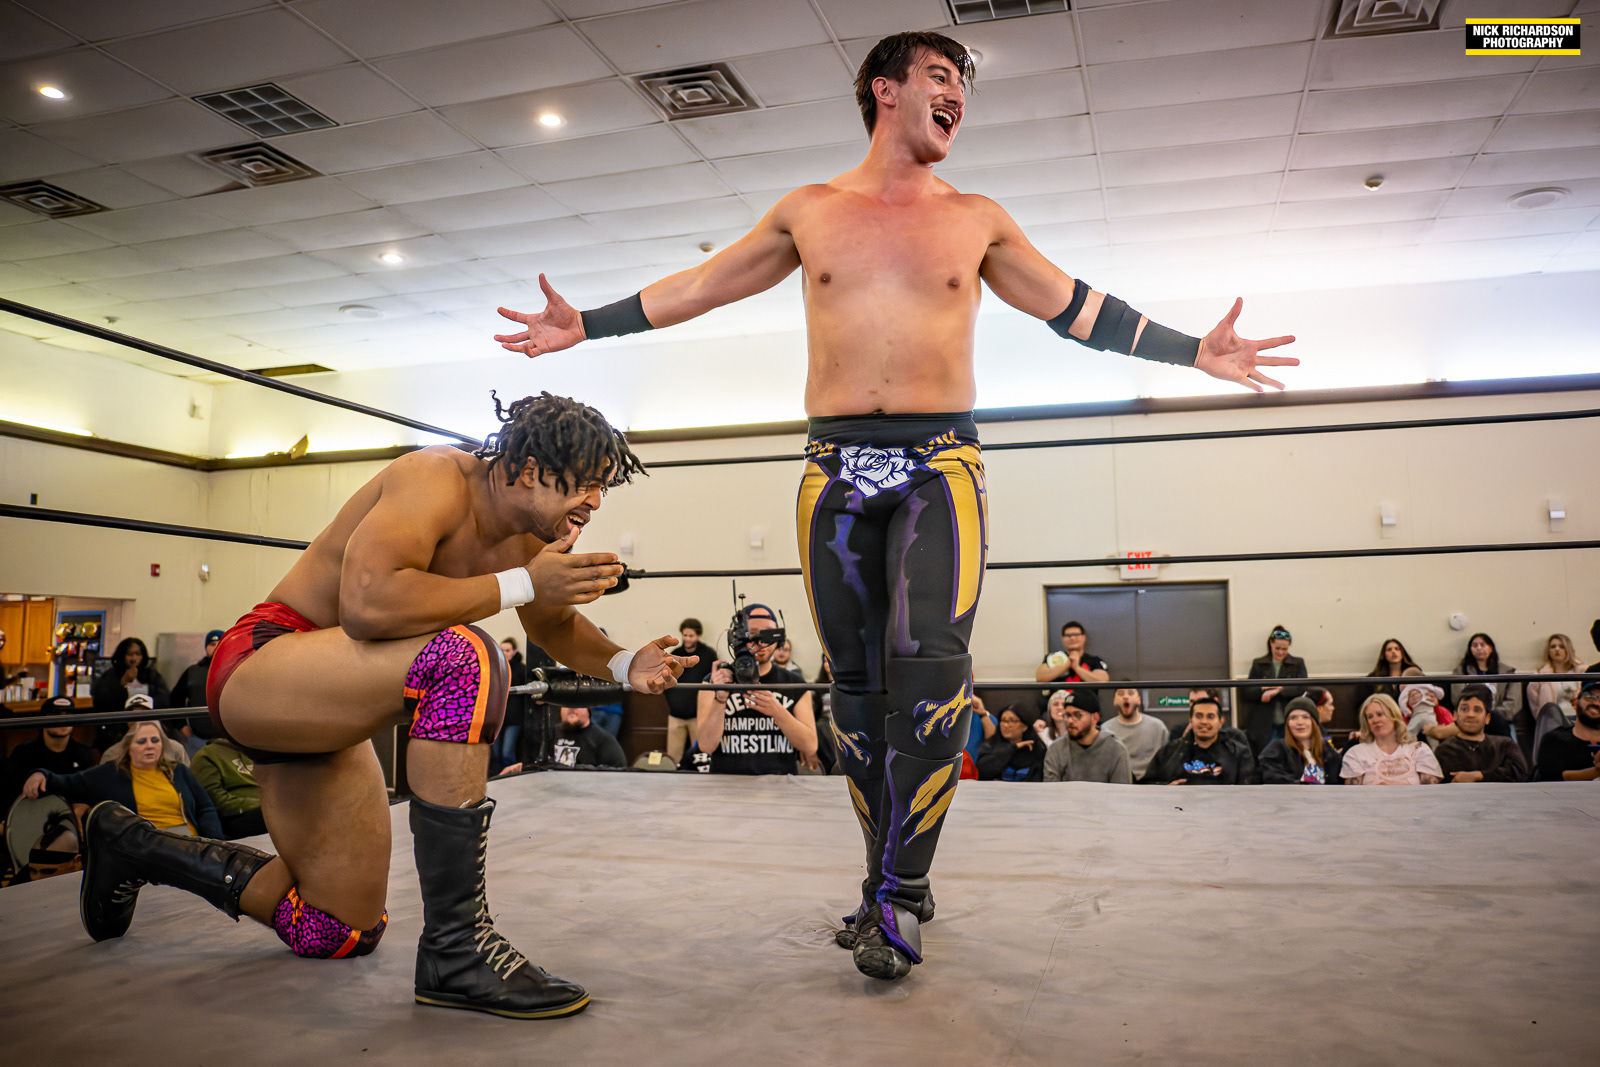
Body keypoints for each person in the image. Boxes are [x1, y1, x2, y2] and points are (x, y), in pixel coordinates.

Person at [495, 30, 1295, 981]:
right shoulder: (810, 210)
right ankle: (885, 874)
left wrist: (1191, 350)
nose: (958, 96)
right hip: (832, 466)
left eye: (963, 85)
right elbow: (704, 286)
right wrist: (587, 324)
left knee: (930, 675)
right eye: (941, 76)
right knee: (858, 692)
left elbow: (1078, 308)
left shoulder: (977, 219)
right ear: (886, 89)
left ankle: (902, 892)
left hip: (938, 464)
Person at [67, 393, 691, 1021]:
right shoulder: (435, 477)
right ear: (531, 470)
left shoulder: (532, 536)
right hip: (266, 664)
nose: (596, 501)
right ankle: (457, 948)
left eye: (602, 486)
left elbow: (551, 622)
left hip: (330, 709)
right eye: (585, 483)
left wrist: (623, 663)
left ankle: (135, 846)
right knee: (465, 657)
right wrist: (524, 583)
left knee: (336, 929)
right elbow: (367, 608)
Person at [24, 721, 223, 839]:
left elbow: (205, 807)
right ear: (129, 747)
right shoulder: (110, 774)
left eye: (155, 740)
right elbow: (68, 783)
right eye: (141, 741)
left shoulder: (178, 771)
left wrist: (214, 843)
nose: (150, 746)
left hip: (189, 841)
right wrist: (42, 774)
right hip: (149, 844)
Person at [697, 604, 816, 775]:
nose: (761, 643)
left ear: (779, 639)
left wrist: (777, 711)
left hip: (780, 782)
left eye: (767, 634)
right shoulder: (713, 682)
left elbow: (810, 746)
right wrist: (720, 698)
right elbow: (706, 746)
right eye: (752, 634)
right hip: (727, 782)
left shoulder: (795, 683)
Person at [1, 696, 96, 810]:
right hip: (33, 814)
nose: (63, 720)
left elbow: (90, 793)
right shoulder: (24, 753)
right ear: (43, 719)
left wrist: (83, 806)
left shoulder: (84, 754)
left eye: (68, 714)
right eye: (55, 714)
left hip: (70, 816)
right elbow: (11, 796)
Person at [1141, 697, 1253, 785]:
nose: (1203, 721)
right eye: (1198, 716)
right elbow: (1147, 785)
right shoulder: (1169, 752)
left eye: (1210, 717)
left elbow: (1248, 787)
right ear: (1191, 720)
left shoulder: (1237, 752)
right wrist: (1166, 788)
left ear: (1220, 722)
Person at [1340, 695, 1443, 785]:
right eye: (1370, 717)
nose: (1375, 720)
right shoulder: (1356, 754)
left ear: (1394, 715)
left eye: (1380, 714)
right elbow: (1353, 796)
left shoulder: (1419, 750)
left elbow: (1430, 793)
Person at [1435, 685, 1528, 783]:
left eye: (1477, 710)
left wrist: (1479, 776)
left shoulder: (1505, 745)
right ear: (1455, 715)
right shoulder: (1444, 750)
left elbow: (1521, 775)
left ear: (1487, 718)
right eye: (1464, 709)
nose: (1470, 715)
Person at [91, 637, 170, 748]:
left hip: (147, 727)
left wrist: (143, 707)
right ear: (122, 655)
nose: (134, 658)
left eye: (138, 654)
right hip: (117, 731)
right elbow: (100, 702)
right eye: (130, 654)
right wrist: (123, 682)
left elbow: (165, 699)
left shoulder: (151, 674)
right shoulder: (111, 675)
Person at [1240, 626, 1306, 754]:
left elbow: (1301, 687)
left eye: (1284, 649)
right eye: (1277, 648)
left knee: (1290, 755)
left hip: (1290, 719)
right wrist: (1263, 688)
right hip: (1264, 722)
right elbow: (1247, 692)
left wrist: (1278, 690)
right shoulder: (1259, 663)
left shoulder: (1297, 663)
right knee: (1267, 755)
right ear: (1271, 644)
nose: (1281, 652)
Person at [1042, 693, 1130, 784]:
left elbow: (1120, 791)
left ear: (1095, 718)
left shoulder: (1116, 749)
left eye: (1077, 715)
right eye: (1067, 715)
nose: (1070, 720)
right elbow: (1051, 790)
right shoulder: (1056, 749)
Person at [190, 735, 267, 839]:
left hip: (265, 809)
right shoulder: (206, 754)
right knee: (277, 815)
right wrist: (263, 805)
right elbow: (216, 802)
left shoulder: (260, 752)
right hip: (235, 817)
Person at [1255, 697, 1342, 784]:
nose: (1300, 722)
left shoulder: (1328, 751)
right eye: (1293, 718)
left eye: (1305, 717)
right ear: (1287, 724)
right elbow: (1271, 777)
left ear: (1314, 722)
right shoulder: (1277, 748)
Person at [665, 618, 715, 762]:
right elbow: (667, 679)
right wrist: (672, 701)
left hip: (698, 716)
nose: (687, 638)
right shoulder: (676, 654)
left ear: (698, 636)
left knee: (700, 756)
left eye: (691, 635)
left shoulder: (708, 654)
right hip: (676, 715)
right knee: (673, 757)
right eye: (685, 635)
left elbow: (713, 682)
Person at [1534, 680, 1600, 782]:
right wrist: (1595, 772)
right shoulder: (1554, 740)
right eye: (1590, 697)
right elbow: (1551, 778)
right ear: (1575, 702)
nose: (1596, 702)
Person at [1100, 685, 1170, 780]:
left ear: (1138, 700)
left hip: (1152, 783)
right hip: (1119, 784)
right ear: (1115, 701)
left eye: (1131, 693)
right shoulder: (1105, 730)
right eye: (1121, 694)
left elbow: (1168, 761)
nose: (1125, 697)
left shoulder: (1158, 727)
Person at [1453, 633, 1519, 723]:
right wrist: (1477, 713)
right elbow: (1457, 698)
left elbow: (1513, 703)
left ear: (1491, 648)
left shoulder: (1507, 672)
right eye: (1475, 645)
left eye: (1482, 645)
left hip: (1500, 719)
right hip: (1470, 719)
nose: (1479, 648)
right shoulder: (1460, 672)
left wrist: (1490, 714)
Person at [1035, 621, 1110, 693]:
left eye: (1076, 635)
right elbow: (1040, 677)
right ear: (1062, 639)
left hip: (1087, 701)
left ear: (1083, 637)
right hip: (1058, 701)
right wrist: (1066, 665)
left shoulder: (1094, 660)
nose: (1072, 638)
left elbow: (1103, 681)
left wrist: (1077, 667)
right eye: (1068, 635)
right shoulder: (1052, 658)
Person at [1527, 633, 1586, 722]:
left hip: (1580, 718)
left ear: (1568, 650)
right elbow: (1534, 703)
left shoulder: (1582, 672)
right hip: (1554, 720)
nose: (1557, 649)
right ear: (1548, 651)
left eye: (1561, 646)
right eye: (1553, 647)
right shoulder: (1541, 676)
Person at [976, 707, 1046, 782]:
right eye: (1003, 720)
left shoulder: (1037, 749)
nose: (1006, 725)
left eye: (1011, 721)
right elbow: (981, 772)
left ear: (1024, 726)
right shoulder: (990, 745)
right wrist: (1013, 748)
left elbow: (1038, 779)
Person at [548, 706, 627, 769]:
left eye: (577, 704)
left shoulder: (604, 740)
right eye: (567, 704)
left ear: (588, 710)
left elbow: (618, 772)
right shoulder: (549, 734)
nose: (571, 708)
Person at [1358, 639, 1419, 704]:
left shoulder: (1414, 674)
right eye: (1389, 649)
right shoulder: (1374, 678)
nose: (1393, 652)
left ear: (1402, 653)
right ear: (1384, 655)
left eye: (1397, 649)